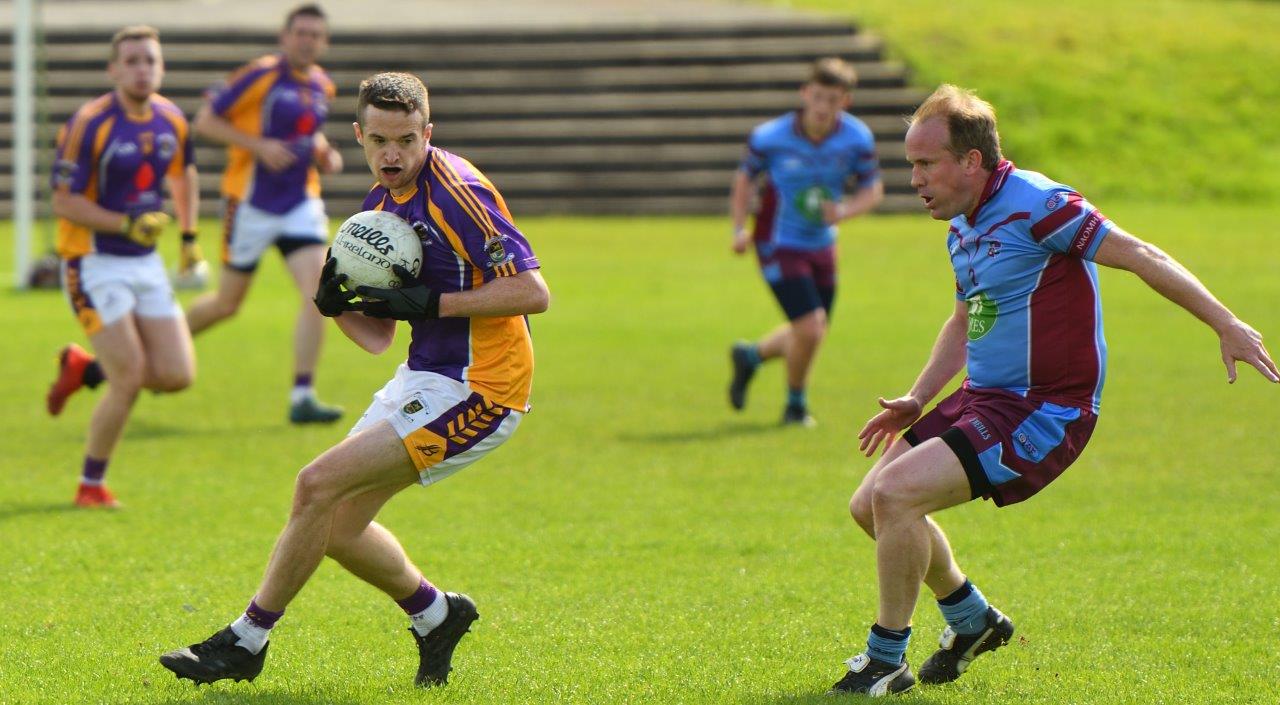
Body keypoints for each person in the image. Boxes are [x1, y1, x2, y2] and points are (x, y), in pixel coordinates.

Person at [828, 84, 1278, 696]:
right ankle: (971, 620)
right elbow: (965, 320)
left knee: (898, 494)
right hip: (986, 395)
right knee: (870, 506)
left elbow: (1140, 254)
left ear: (971, 160)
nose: (915, 179)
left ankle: (886, 658)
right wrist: (917, 397)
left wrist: (1226, 322)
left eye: (925, 163)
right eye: (911, 164)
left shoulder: (1041, 205)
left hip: (1046, 407)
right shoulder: (961, 226)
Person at [159, 71, 550, 688]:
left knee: (315, 484)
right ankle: (436, 614)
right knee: (336, 525)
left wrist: (431, 304)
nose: (392, 155)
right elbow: (378, 340)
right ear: (358, 136)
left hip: (486, 389)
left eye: (405, 140)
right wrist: (335, 302)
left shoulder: (458, 192)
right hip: (426, 373)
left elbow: (533, 292)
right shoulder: (377, 209)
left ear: (428, 132)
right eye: (378, 141)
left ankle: (247, 640)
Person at [45, 25, 199, 509]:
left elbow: (185, 172)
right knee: (130, 376)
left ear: (162, 66)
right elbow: (63, 200)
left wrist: (190, 238)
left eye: (150, 60)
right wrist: (124, 223)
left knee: (177, 374)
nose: (142, 69)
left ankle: (83, 368)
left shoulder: (171, 118)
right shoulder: (90, 123)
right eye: (131, 60)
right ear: (113, 69)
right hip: (92, 262)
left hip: (144, 261)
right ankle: (90, 485)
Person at [183, 3, 346, 424]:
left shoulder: (322, 86)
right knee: (226, 303)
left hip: (299, 203)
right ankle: (161, 344)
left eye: (315, 34)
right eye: (301, 32)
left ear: (324, 42)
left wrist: (325, 153)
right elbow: (205, 121)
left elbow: (309, 132)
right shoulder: (260, 76)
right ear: (284, 36)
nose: (307, 40)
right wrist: (259, 147)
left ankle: (302, 395)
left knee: (320, 292)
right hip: (250, 202)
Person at [727, 57, 884, 426]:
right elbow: (744, 180)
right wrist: (738, 229)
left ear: (844, 101)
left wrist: (844, 211)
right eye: (817, 97)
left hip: (822, 242)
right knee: (810, 328)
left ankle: (751, 356)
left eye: (832, 99)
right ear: (804, 94)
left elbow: (872, 189)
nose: (822, 107)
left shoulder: (857, 138)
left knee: (811, 332)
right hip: (777, 240)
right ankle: (795, 405)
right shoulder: (770, 137)